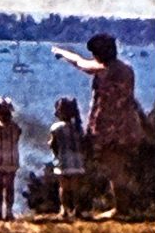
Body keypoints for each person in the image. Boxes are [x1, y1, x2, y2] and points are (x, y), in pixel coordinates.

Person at [53, 34, 147, 220]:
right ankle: (122, 207)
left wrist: (62, 53)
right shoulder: (127, 70)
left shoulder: (104, 70)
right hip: (127, 122)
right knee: (118, 165)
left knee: (114, 168)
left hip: (108, 125)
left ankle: (120, 209)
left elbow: (80, 63)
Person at [49, 97, 88, 219]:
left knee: (64, 187)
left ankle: (64, 209)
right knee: (76, 187)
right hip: (77, 161)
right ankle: (77, 209)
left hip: (63, 160)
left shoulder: (56, 127)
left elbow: (53, 144)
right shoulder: (78, 127)